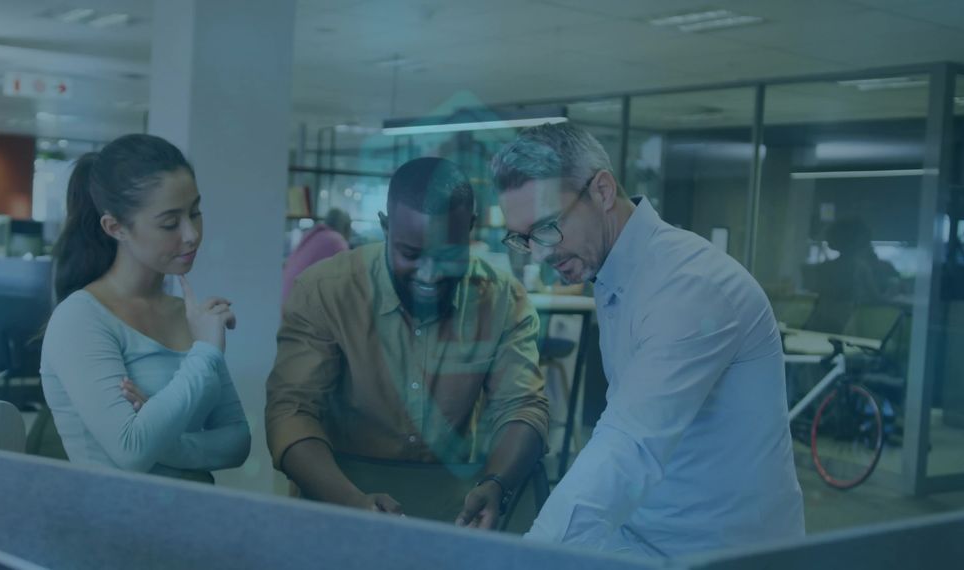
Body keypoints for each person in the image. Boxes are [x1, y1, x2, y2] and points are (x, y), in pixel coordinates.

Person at [491, 122, 803, 558]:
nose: (540, 254)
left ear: (601, 191)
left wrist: (524, 558)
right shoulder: (614, 272)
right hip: (645, 536)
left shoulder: (691, 286)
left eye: (547, 227)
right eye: (524, 239)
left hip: (722, 552)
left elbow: (628, 444)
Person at [266, 157, 548, 528]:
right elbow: (291, 411)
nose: (429, 275)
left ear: (470, 230)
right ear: (385, 228)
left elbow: (523, 408)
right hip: (338, 494)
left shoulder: (503, 300)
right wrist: (350, 501)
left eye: (447, 255)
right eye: (411, 254)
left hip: (457, 510)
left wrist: (496, 483)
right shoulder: (326, 291)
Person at [40, 134, 250, 483]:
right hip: (118, 528)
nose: (192, 234)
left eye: (195, 213)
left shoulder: (189, 315)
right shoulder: (80, 319)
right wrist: (206, 353)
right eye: (170, 223)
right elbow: (132, 450)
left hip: (199, 523)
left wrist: (164, 437)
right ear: (115, 227)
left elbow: (238, 442)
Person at [803, 218, 901, 333]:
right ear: (862, 241)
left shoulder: (824, 267)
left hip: (818, 316)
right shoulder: (860, 268)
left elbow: (816, 290)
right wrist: (891, 292)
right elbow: (876, 299)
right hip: (843, 319)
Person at [281, 208, 352, 304]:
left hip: (283, 304)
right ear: (347, 228)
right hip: (298, 310)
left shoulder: (313, 235)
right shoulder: (336, 242)